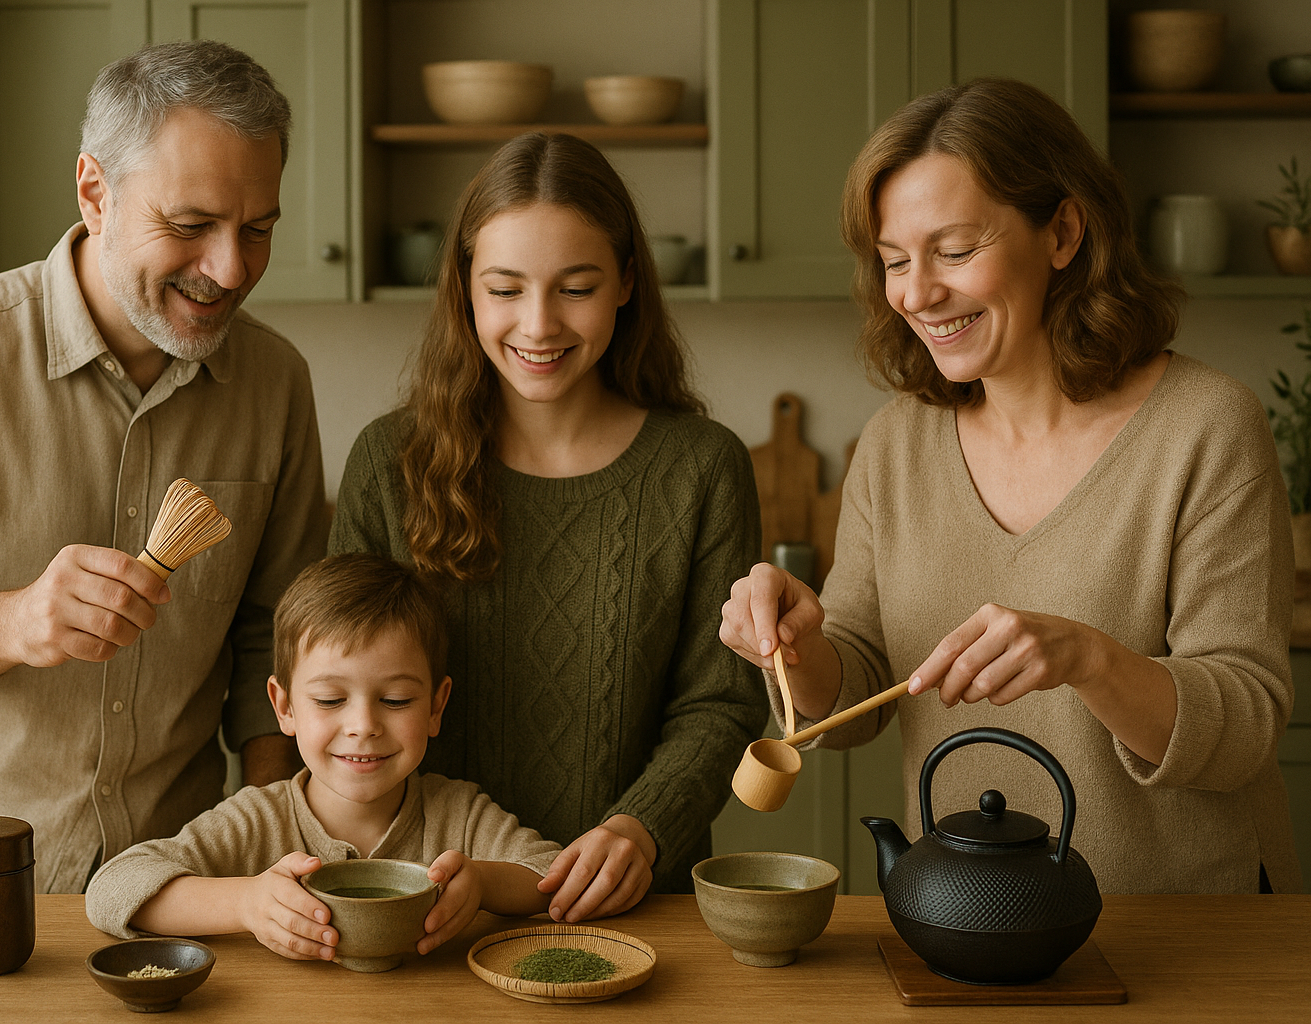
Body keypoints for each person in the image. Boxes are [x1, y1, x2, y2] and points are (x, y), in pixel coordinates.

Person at [720, 78, 1301, 895]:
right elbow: (852, 689)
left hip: (1186, 931)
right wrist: (797, 646)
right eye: (894, 261)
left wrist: (1088, 659)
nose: (917, 294)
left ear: (1062, 232)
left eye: (955, 252)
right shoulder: (895, 444)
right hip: (978, 920)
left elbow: (1241, 724)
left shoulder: (1205, 427)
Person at [0, 41, 329, 894]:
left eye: (257, 229)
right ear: (95, 193)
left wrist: (270, 829)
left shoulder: (276, 384)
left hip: (171, 881)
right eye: (190, 226)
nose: (231, 269)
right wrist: (11, 623)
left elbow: (274, 635)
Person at [329, 132, 768, 918]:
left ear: (627, 282)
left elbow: (721, 703)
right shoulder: (387, 462)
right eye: (505, 288)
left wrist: (641, 829)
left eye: (576, 287)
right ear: (464, 286)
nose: (538, 325)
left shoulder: (702, 468)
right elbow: (334, 686)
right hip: (425, 906)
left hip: (630, 909)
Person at [85, 553, 561, 958]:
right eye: (331, 700)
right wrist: (246, 902)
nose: (363, 726)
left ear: (436, 707)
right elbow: (111, 889)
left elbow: (553, 875)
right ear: (284, 707)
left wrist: (481, 883)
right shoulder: (256, 820)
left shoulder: (459, 813)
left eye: (395, 700)